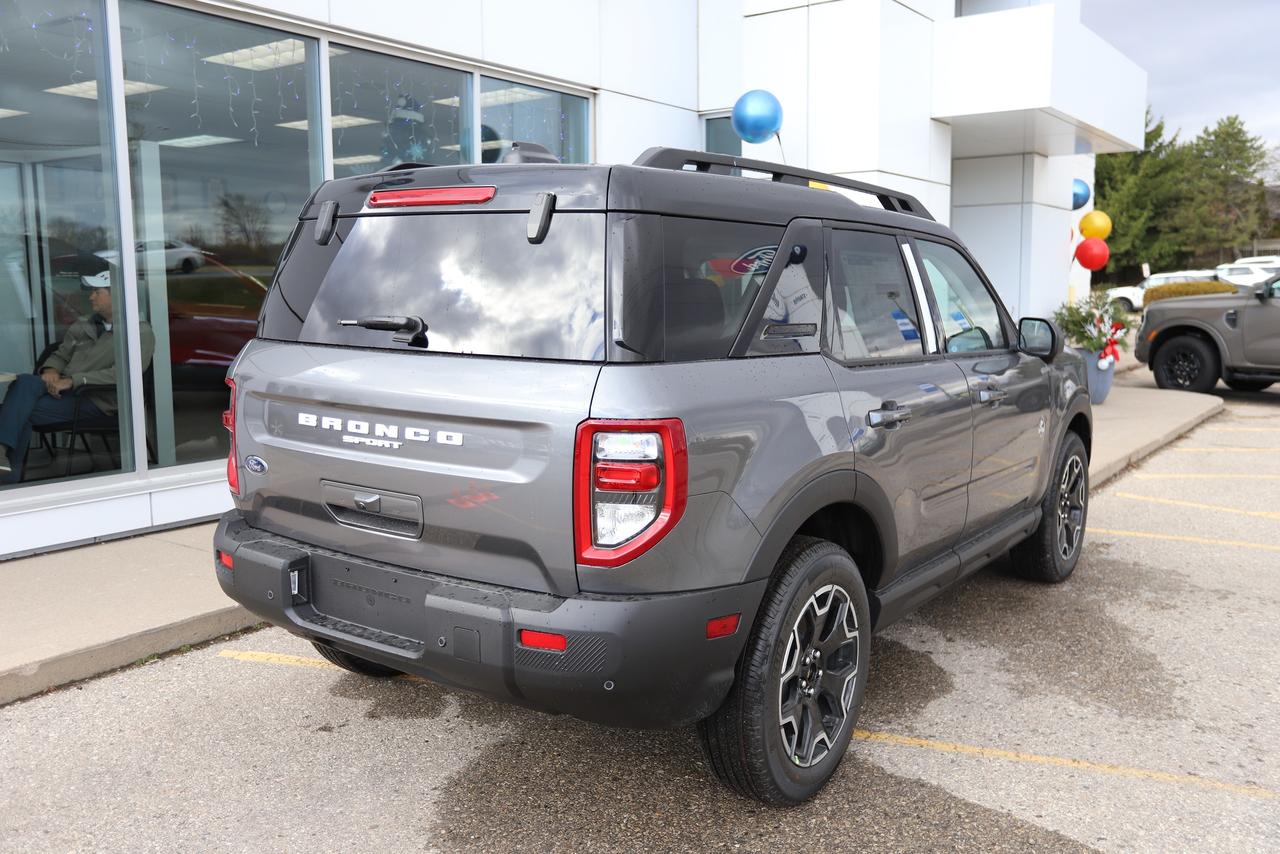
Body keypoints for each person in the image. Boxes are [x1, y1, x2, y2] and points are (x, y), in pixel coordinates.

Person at [0, 270, 154, 482]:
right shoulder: (85, 324)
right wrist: (51, 370)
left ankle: (6, 475)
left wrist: (74, 380)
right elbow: (60, 355)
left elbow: (124, 374)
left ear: (117, 295)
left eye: (97, 292)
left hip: (97, 400)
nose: (91, 297)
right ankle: (3, 462)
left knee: (17, 412)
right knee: (25, 382)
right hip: (64, 392)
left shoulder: (139, 332)